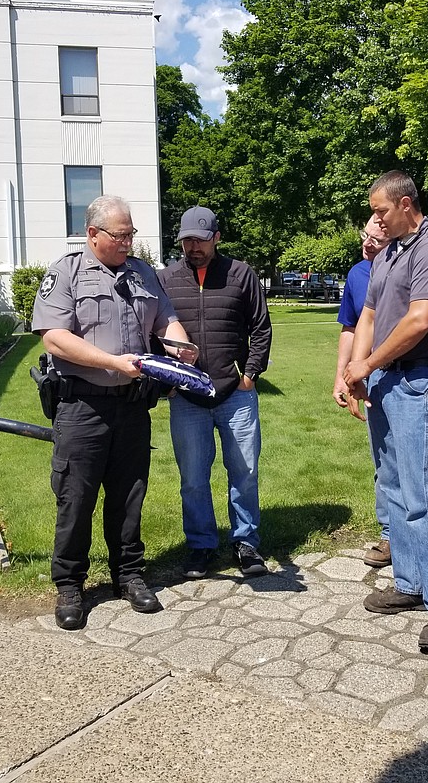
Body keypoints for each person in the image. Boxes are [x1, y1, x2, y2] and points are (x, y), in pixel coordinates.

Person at [32, 195, 194, 630]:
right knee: (76, 498)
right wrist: (113, 363)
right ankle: (70, 585)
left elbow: (165, 318)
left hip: (132, 406)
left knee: (129, 495)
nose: (128, 242)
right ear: (93, 234)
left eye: (131, 234)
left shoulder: (142, 272)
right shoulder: (65, 273)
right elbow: (54, 339)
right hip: (82, 405)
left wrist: (181, 348)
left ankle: (129, 575)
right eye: (120, 235)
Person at [343, 171, 428, 653]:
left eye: (380, 210)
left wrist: (368, 364)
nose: (374, 219)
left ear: (404, 203)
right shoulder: (390, 252)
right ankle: (411, 582)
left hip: (418, 380)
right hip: (384, 380)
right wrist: (355, 371)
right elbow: (369, 317)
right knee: (392, 485)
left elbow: (421, 319)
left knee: (423, 493)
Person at [158, 206, 274, 579]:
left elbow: (261, 328)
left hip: (235, 394)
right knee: (193, 478)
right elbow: (152, 335)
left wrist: (251, 374)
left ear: (217, 237)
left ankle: (246, 543)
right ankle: (201, 546)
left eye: (201, 239)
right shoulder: (165, 280)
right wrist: (169, 383)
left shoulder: (241, 275)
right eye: (187, 240)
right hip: (187, 398)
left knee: (245, 471)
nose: (193, 247)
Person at [333, 215, 393, 568]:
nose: (366, 244)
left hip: (401, 375)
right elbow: (350, 328)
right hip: (367, 376)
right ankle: (389, 535)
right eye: (364, 236)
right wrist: (343, 376)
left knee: (413, 463)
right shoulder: (358, 273)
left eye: (376, 240)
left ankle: (418, 535)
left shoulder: (406, 267)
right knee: (382, 458)